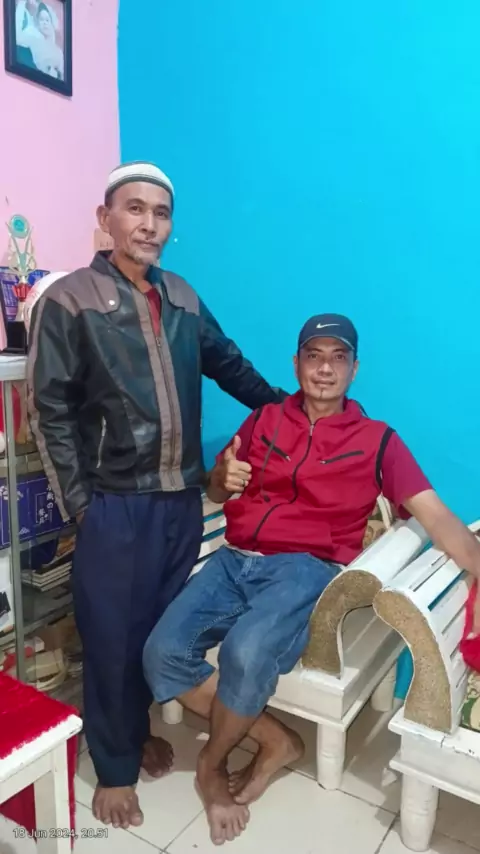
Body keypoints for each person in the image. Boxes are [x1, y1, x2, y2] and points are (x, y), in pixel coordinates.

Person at [144, 313, 480, 846]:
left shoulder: (377, 441)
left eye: (338, 358)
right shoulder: (263, 420)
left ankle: (211, 764)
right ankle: (277, 740)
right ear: (296, 364)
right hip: (235, 559)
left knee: (248, 652)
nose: (325, 369)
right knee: (161, 652)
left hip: (304, 567)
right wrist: (220, 480)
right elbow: (217, 491)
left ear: (354, 369)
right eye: (314, 356)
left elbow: (435, 517)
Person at [26, 162, 287, 830]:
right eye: (135, 209)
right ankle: (114, 769)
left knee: (152, 634)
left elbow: (231, 367)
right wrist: (81, 507)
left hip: (179, 502)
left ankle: (135, 733)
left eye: (161, 213)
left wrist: (293, 412)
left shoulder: (183, 298)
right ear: (105, 217)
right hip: (113, 503)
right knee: (110, 637)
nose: (149, 224)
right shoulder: (70, 300)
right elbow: (49, 411)